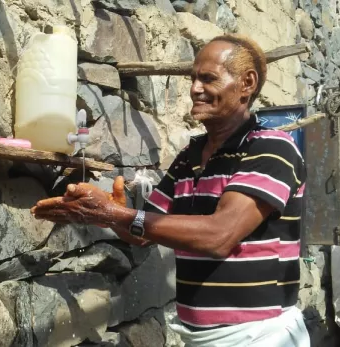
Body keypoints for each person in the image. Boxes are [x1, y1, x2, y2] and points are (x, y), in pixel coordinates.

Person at [31, 34, 310, 347]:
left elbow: (220, 236)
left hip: (261, 335)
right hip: (200, 336)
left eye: (208, 78)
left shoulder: (270, 147)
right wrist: (110, 216)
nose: (194, 88)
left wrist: (118, 213)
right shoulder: (189, 157)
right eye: (193, 78)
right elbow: (144, 232)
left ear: (247, 83)